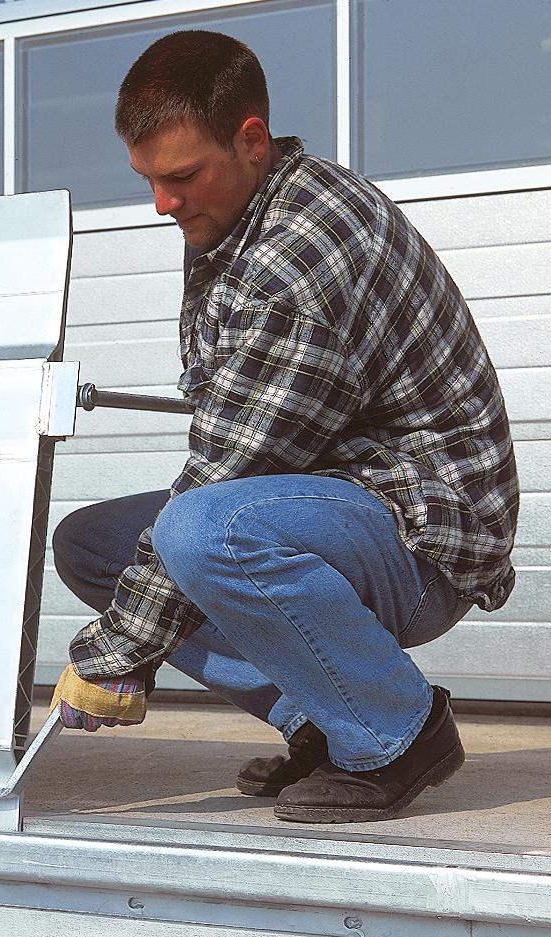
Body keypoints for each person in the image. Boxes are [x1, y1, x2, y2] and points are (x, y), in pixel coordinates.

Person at [50, 29, 519, 823]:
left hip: (422, 535)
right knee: (92, 544)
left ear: (251, 139)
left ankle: (395, 730)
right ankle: (325, 721)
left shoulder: (294, 260)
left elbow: (226, 470)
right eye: (148, 181)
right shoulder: (242, 213)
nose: (163, 204)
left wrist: (113, 655)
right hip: (342, 502)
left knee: (202, 529)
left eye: (181, 177)